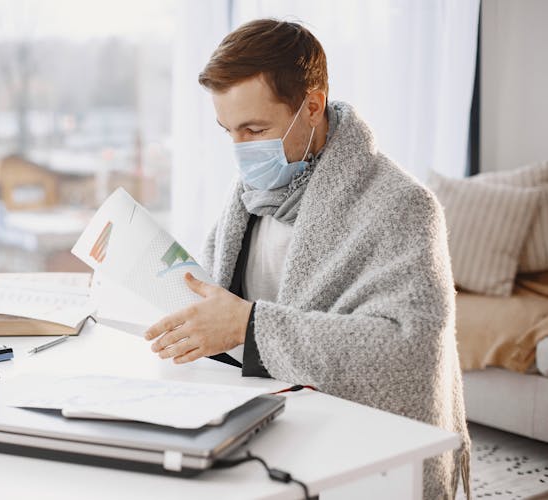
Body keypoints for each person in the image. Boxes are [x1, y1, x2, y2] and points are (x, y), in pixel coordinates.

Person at [143, 19, 470, 499]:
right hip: (272, 432)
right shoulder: (249, 199)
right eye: (228, 130)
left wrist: (250, 327)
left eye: (254, 129)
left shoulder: (402, 205)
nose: (240, 150)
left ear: (312, 106)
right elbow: (221, 312)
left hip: (368, 453)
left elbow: (407, 350)